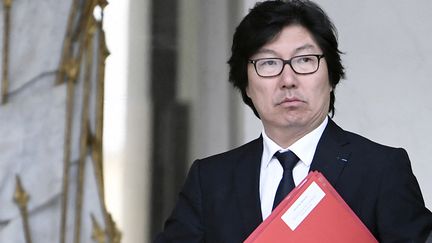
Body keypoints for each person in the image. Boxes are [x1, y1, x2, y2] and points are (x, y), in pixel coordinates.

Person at [155, 0, 432, 242]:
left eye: (305, 60)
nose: (288, 80)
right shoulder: (211, 179)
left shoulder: (381, 170)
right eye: (268, 63)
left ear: (331, 76)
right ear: (246, 85)